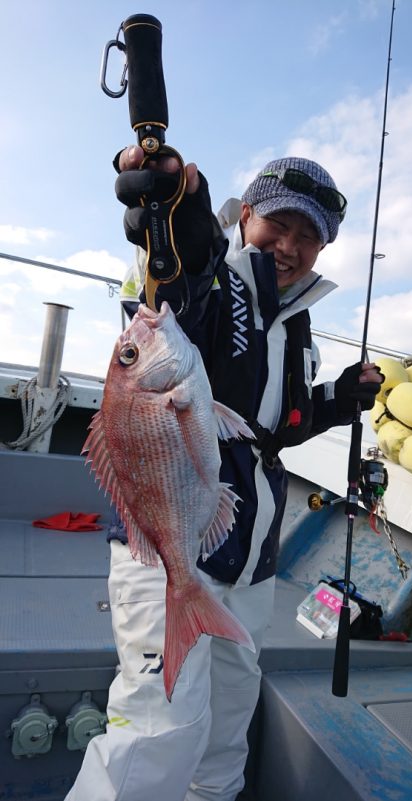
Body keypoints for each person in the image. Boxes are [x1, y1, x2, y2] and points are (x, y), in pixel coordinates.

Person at [65, 152, 382, 801]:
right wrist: (175, 221)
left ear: (323, 249)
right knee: (156, 733)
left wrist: (338, 399)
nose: (289, 246)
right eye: (278, 224)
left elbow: (276, 425)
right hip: (168, 554)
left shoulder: (294, 320)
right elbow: (174, 287)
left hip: (251, 562)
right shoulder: (211, 282)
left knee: (225, 732)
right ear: (246, 215)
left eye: (309, 235)